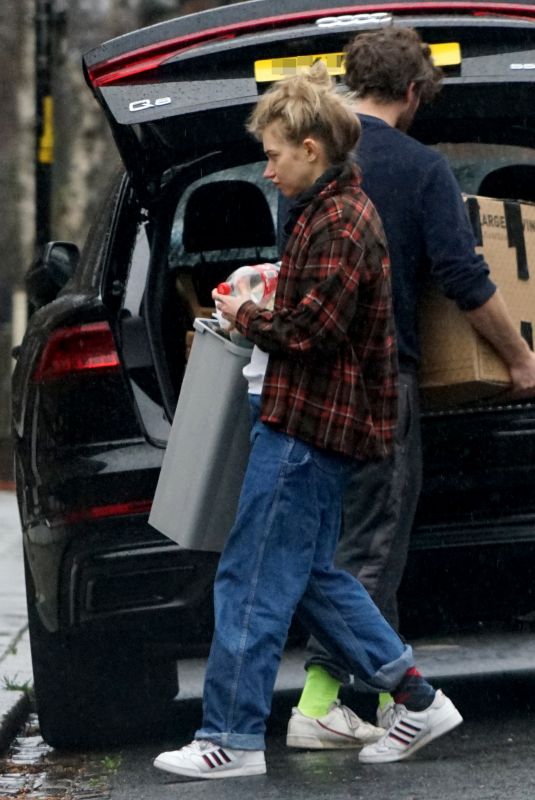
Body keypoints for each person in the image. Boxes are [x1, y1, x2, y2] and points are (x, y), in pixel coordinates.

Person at [152, 60, 462, 780]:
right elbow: (318, 310)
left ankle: (228, 738)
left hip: (302, 431)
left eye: (273, 154)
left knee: (250, 581)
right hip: (315, 428)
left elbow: (311, 330)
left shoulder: (338, 219)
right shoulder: (330, 213)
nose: (267, 170)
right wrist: (268, 286)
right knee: (318, 577)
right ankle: (417, 698)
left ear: (311, 150)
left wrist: (242, 311)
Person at [285, 26, 535, 751]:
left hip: (306, 382)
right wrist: (519, 358)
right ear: (415, 91)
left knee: (339, 539)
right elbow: (464, 280)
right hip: (376, 380)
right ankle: (321, 701)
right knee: (372, 543)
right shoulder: (419, 167)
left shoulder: (310, 157)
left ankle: (369, 698)